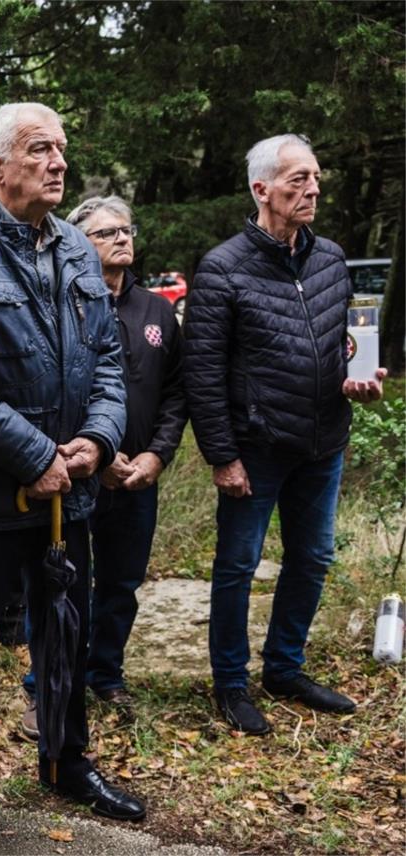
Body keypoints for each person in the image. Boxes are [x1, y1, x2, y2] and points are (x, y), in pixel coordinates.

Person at [0, 102, 144, 856]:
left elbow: (108, 362)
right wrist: (34, 453)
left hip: (68, 496)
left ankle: (66, 763)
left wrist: (98, 441)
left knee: (65, 639)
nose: (59, 162)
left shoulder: (76, 249)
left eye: (62, 149)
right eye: (39, 149)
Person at [185, 133, 386, 736]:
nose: (313, 189)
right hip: (257, 448)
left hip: (324, 442)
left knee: (314, 557)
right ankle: (230, 683)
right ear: (262, 189)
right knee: (238, 565)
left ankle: (285, 668)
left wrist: (361, 378)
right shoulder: (223, 268)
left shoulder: (329, 258)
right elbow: (203, 372)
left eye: (316, 177)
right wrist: (223, 455)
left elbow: (345, 345)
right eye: (298, 179)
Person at [19, 196, 186, 740]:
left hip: (140, 476)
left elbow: (175, 392)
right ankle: (43, 682)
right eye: (105, 232)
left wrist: (157, 455)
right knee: (66, 583)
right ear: (78, 244)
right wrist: (102, 454)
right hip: (81, 472)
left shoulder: (157, 311)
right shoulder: (69, 304)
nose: (121, 238)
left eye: (126, 229)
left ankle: (105, 671)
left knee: (123, 581)